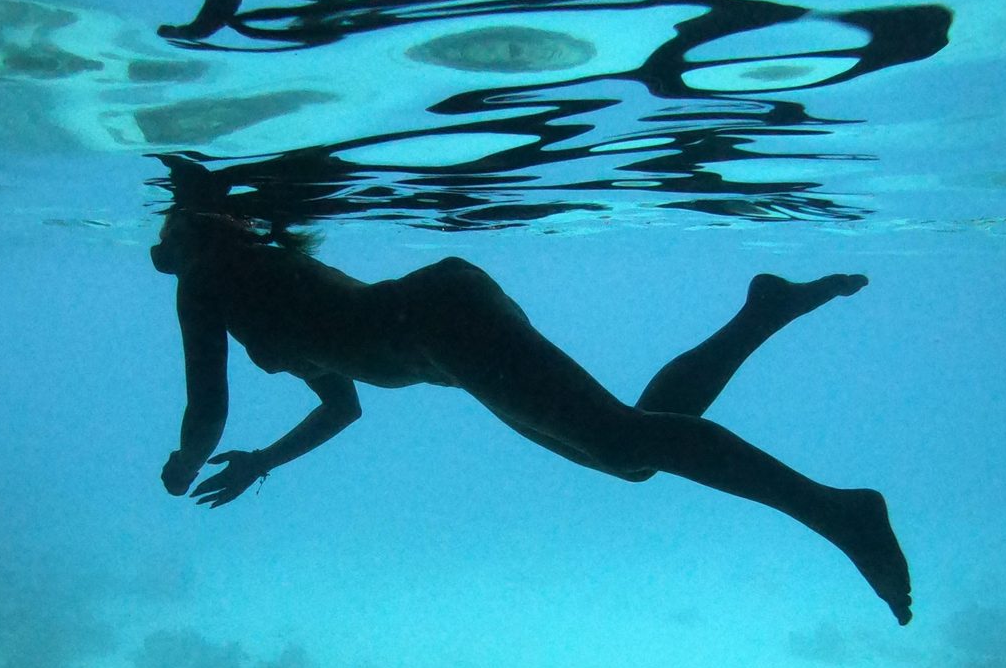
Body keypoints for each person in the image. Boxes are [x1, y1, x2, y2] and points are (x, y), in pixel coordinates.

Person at [154, 206, 912, 624]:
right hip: (444, 335)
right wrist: (261, 462)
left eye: (169, 230)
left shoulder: (209, 278)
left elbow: (206, 406)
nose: (160, 242)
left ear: (198, 232)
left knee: (622, 443)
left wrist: (188, 461)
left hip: (440, 325)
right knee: (630, 451)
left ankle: (840, 512)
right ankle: (765, 310)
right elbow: (343, 405)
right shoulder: (248, 282)